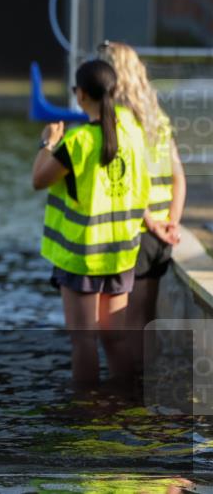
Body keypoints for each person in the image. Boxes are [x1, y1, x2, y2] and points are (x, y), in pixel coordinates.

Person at [32, 60, 152, 387]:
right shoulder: (132, 129)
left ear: (81, 93)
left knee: (83, 340)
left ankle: (86, 415)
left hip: (82, 256)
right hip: (120, 253)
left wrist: (48, 141)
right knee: (115, 338)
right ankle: (123, 404)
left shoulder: (79, 142)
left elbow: (39, 180)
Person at [99, 42, 187, 334]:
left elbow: (127, 183)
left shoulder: (119, 120)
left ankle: (130, 380)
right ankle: (145, 378)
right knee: (147, 319)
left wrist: (150, 223)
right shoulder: (157, 118)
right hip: (162, 234)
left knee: (130, 323)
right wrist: (172, 222)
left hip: (139, 229)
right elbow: (179, 177)